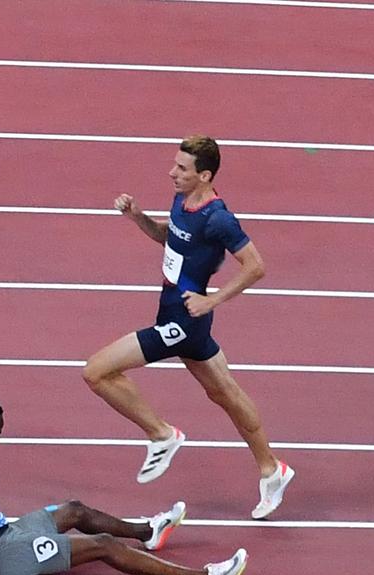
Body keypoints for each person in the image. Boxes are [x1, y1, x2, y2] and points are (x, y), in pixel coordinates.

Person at [83, 135, 294, 519]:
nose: (172, 172)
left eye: (182, 169)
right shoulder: (183, 200)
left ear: (205, 175)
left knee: (96, 372)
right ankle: (272, 469)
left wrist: (211, 300)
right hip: (169, 309)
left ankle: (162, 434)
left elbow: (256, 266)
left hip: (185, 319)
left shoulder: (219, 218)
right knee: (224, 392)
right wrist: (138, 217)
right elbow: (172, 238)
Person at [0, 395, 247, 575]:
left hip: (8, 532)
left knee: (74, 509)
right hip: (6, 554)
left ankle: (147, 532)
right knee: (103, 546)